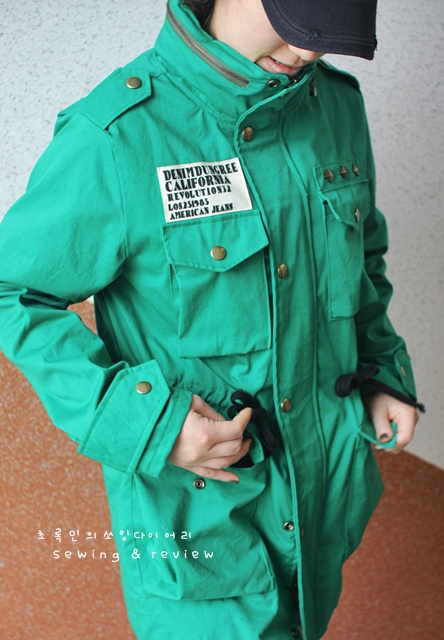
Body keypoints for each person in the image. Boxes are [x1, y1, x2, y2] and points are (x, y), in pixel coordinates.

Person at [0, 0, 424, 638]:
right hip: (203, 540)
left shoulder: (335, 107)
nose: (309, 52)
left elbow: (361, 256)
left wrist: (383, 370)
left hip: (325, 509)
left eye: (328, 35)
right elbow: (12, 292)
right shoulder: (120, 135)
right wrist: (151, 423)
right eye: (296, 26)